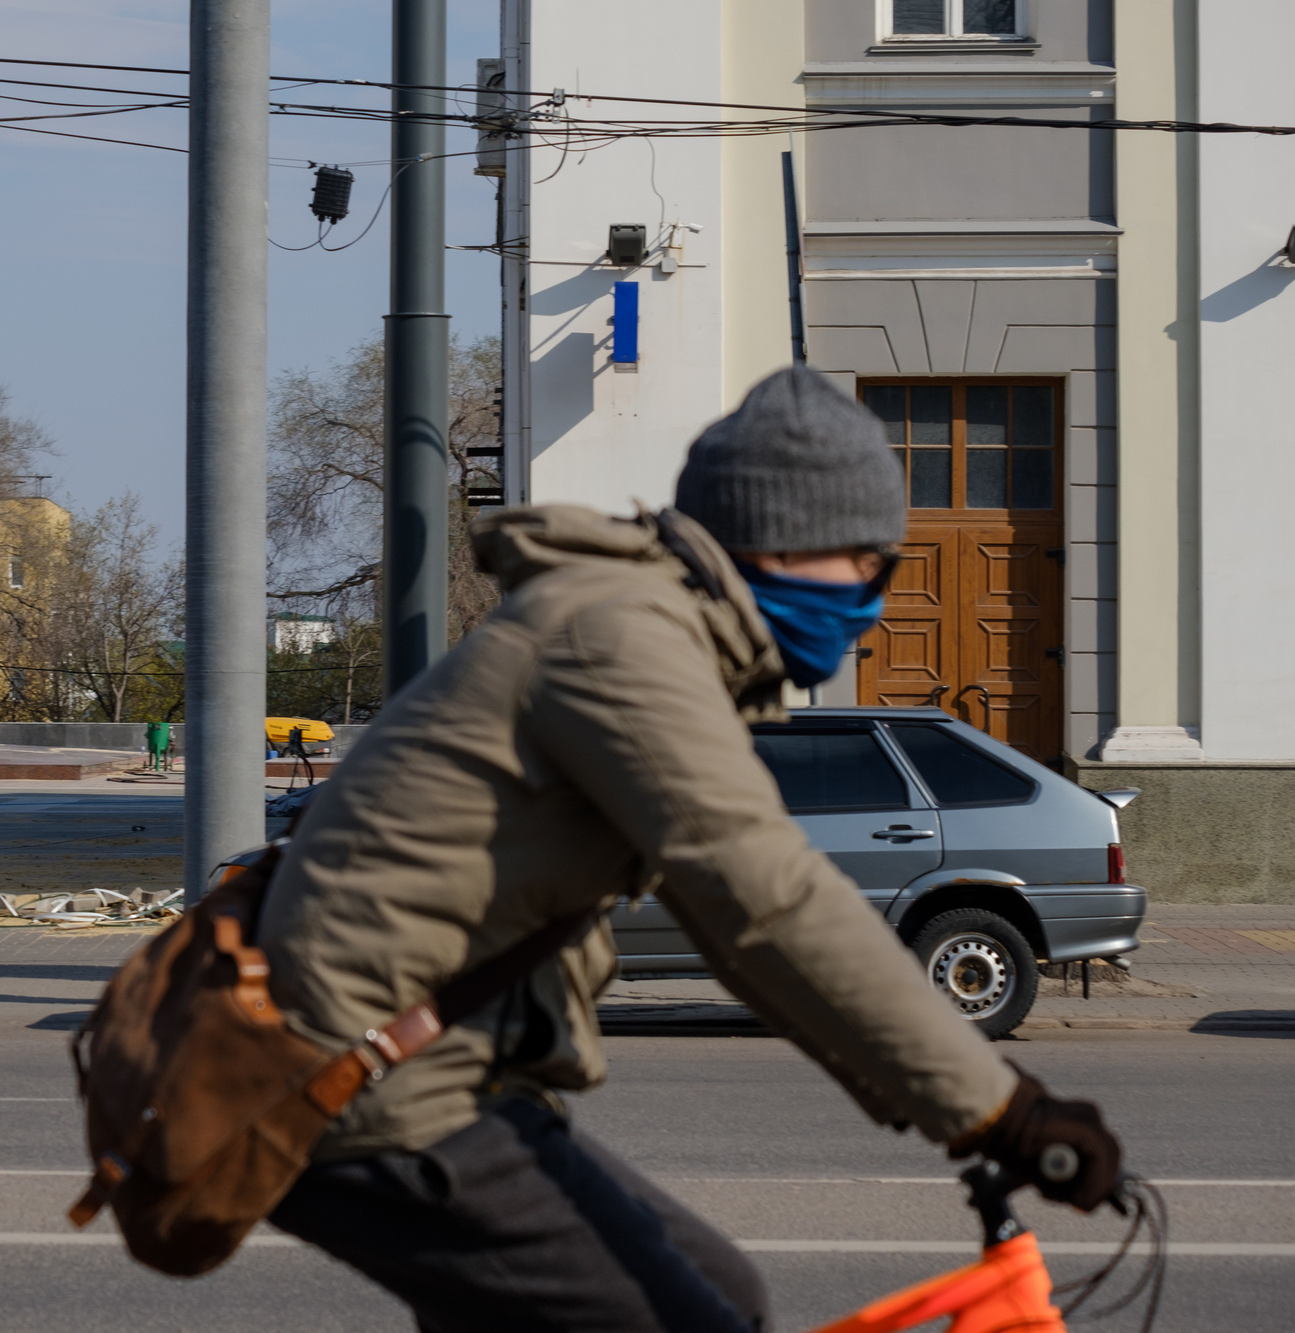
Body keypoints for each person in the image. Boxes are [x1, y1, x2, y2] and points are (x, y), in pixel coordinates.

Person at [257, 366, 1121, 1333]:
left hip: (442, 1071)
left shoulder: (643, 627)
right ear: (789, 538)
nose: (880, 597)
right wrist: (999, 1108)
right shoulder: (619, 639)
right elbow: (764, 901)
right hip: (364, 1078)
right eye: (872, 561)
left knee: (726, 1295)